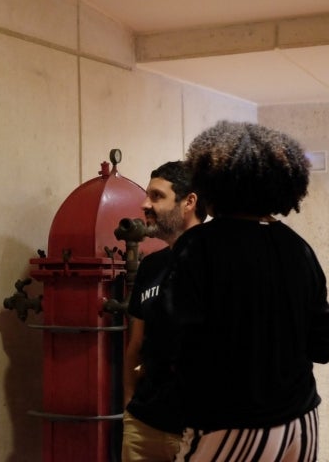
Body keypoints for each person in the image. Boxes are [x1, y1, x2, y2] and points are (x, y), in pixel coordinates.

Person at [168, 121, 329, 461]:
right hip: (302, 423)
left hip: (230, 424)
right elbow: (322, 348)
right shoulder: (299, 249)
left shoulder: (198, 247)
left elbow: (181, 345)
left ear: (211, 183)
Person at [121, 161, 205, 462]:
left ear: (189, 201)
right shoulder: (151, 265)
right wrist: (130, 404)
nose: (145, 204)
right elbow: (136, 344)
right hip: (144, 424)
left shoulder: (215, 260)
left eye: (156, 196)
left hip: (198, 428)